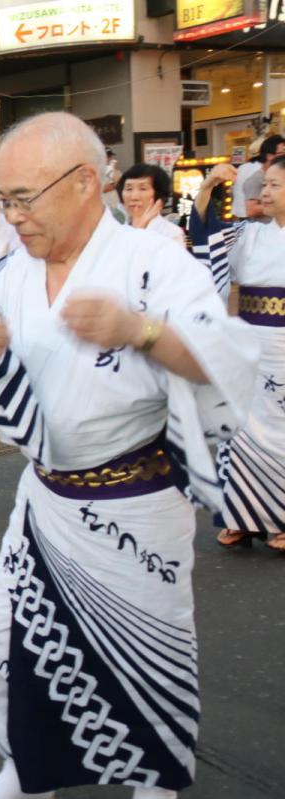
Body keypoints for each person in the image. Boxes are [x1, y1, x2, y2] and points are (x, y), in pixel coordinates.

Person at [0, 112, 257, 799]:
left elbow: (226, 361)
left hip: (134, 506)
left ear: (83, 183)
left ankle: (152, 785)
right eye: (3, 201)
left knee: (140, 659)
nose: (12, 216)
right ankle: (25, 770)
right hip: (44, 497)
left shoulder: (153, 261)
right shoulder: (14, 272)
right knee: (0, 640)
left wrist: (141, 328)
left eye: (23, 198)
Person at [189, 157, 285, 550]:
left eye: (275, 185)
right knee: (241, 432)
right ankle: (242, 516)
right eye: (266, 184)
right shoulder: (248, 234)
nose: (265, 191)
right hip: (249, 343)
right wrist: (208, 186)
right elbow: (204, 235)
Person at [118, 163, 185, 246]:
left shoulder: (170, 233)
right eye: (129, 189)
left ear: (158, 196)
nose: (134, 196)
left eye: (143, 189)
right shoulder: (117, 232)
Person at [232, 135, 285, 219]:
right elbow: (251, 210)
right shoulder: (256, 176)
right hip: (257, 225)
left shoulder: (242, 167)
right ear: (269, 156)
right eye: (282, 153)